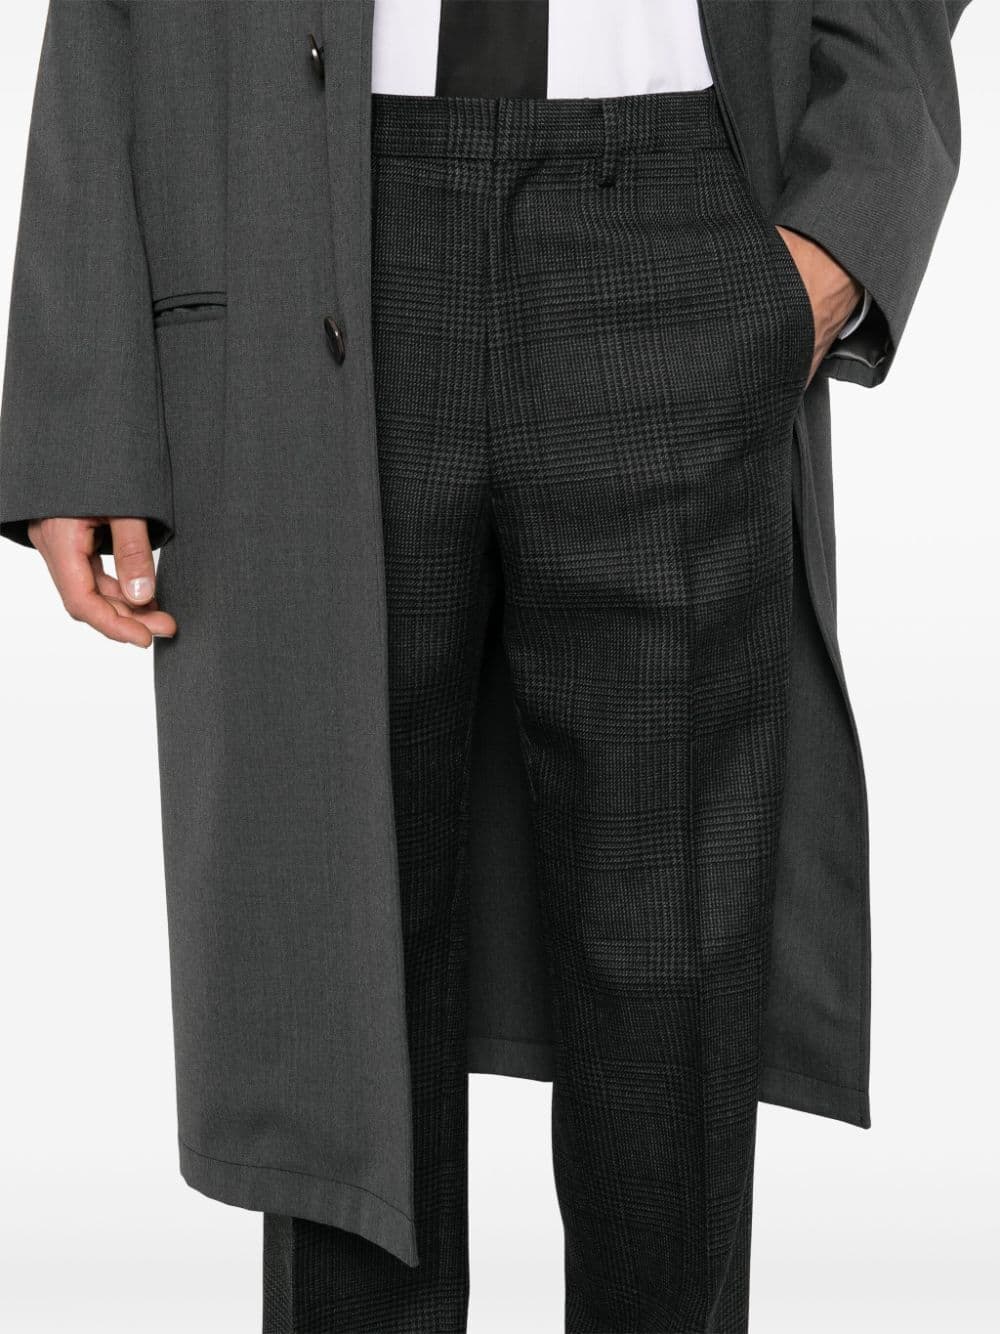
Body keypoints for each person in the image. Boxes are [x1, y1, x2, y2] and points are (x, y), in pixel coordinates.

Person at [0, 3, 971, 1331]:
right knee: (343, 987)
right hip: (318, 225)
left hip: (684, 222)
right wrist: (83, 394)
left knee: (670, 987)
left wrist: (839, 241)